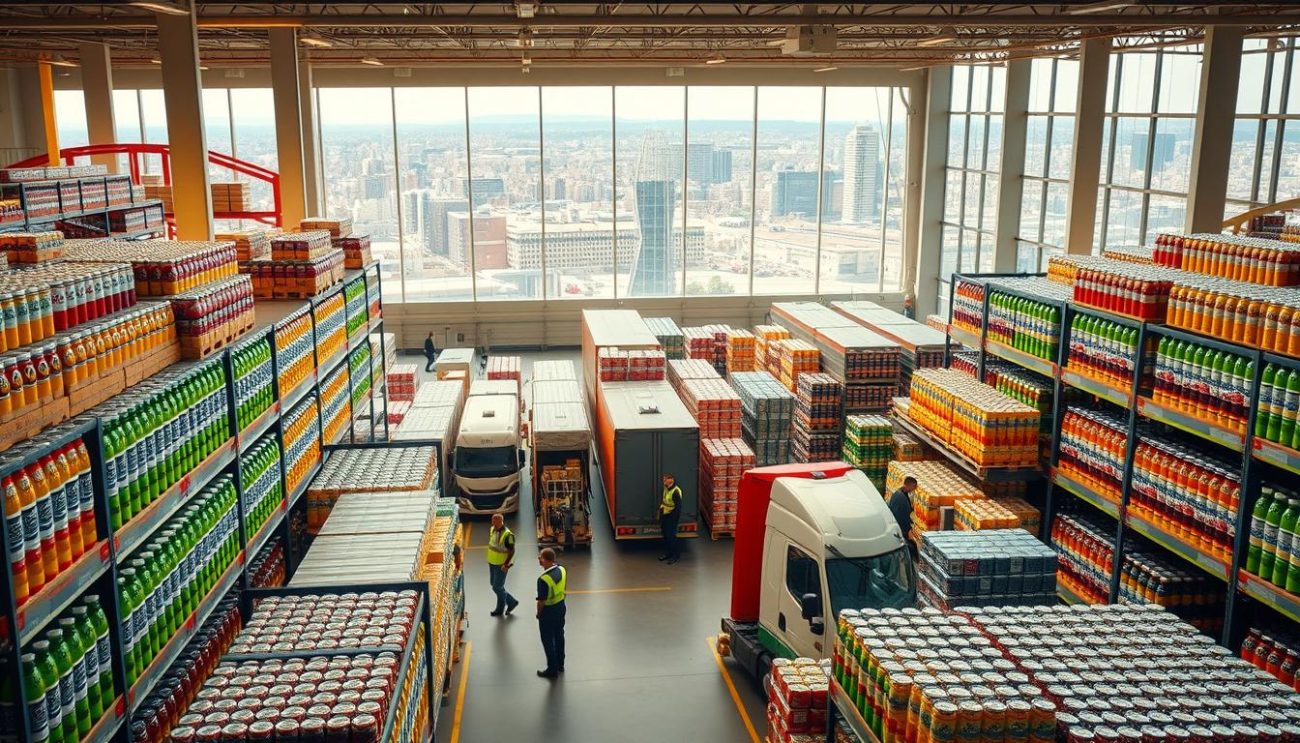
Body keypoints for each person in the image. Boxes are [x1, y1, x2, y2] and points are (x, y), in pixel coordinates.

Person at [536, 547, 566, 679]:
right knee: (559, 634)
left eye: (541, 557)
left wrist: (538, 613)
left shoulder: (543, 579)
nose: (539, 559)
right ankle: (560, 663)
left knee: (547, 639)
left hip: (548, 611)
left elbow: (541, 601)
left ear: (547, 560)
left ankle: (552, 669)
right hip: (561, 607)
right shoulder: (561, 569)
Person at [486, 513, 519, 617]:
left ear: (501, 522)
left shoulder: (508, 535)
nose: (493, 524)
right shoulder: (492, 529)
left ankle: (500, 609)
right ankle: (512, 601)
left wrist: (506, 565)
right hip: (492, 562)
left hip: (501, 564)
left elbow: (512, 551)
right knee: (494, 584)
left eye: (495, 522)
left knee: (497, 587)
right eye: (492, 522)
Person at [889, 476, 918, 558]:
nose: (914, 490)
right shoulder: (900, 498)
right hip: (901, 529)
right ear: (910, 485)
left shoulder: (899, 493)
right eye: (914, 487)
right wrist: (907, 529)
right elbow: (901, 515)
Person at [658, 472, 683, 564]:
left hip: (672, 517)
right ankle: (668, 553)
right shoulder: (666, 488)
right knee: (665, 535)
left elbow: (678, 508)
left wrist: (673, 519)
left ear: (671, 480)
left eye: (665, 479)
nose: (663, 481)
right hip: (665, 514)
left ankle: (675, 556)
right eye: (663, 479)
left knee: (671, 536)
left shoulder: (676, 491)